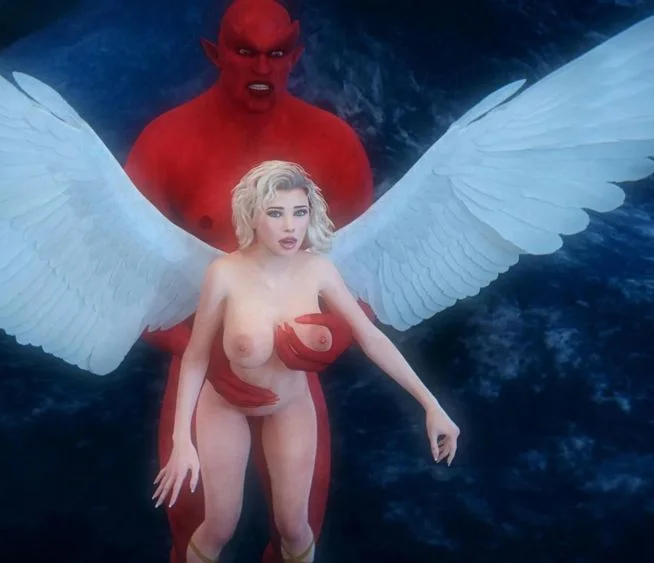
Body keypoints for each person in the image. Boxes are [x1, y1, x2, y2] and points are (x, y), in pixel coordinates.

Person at [122, 1, 374, 561]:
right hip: (202, 362)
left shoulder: (334, 146)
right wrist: (203, 354)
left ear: (295, 55)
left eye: (276, 53)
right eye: (245, 52)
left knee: (300, 526)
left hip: (291, 371)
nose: (262, 68)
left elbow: (364, 279)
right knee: (195, 520)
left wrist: (332, 337)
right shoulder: (166, 143)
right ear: (216, 54)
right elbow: (124, 283)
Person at [152, 161, 460, 563]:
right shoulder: (223, 275)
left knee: (295, 527)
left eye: (299, 213)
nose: (290, 227)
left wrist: (431, 405)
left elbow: (371, 338)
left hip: (291, 405)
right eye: (275, 213)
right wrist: (182, 442)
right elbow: (196, 356)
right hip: (224, 407)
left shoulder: (319, 270)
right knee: (220, 524)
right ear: (252, 216)